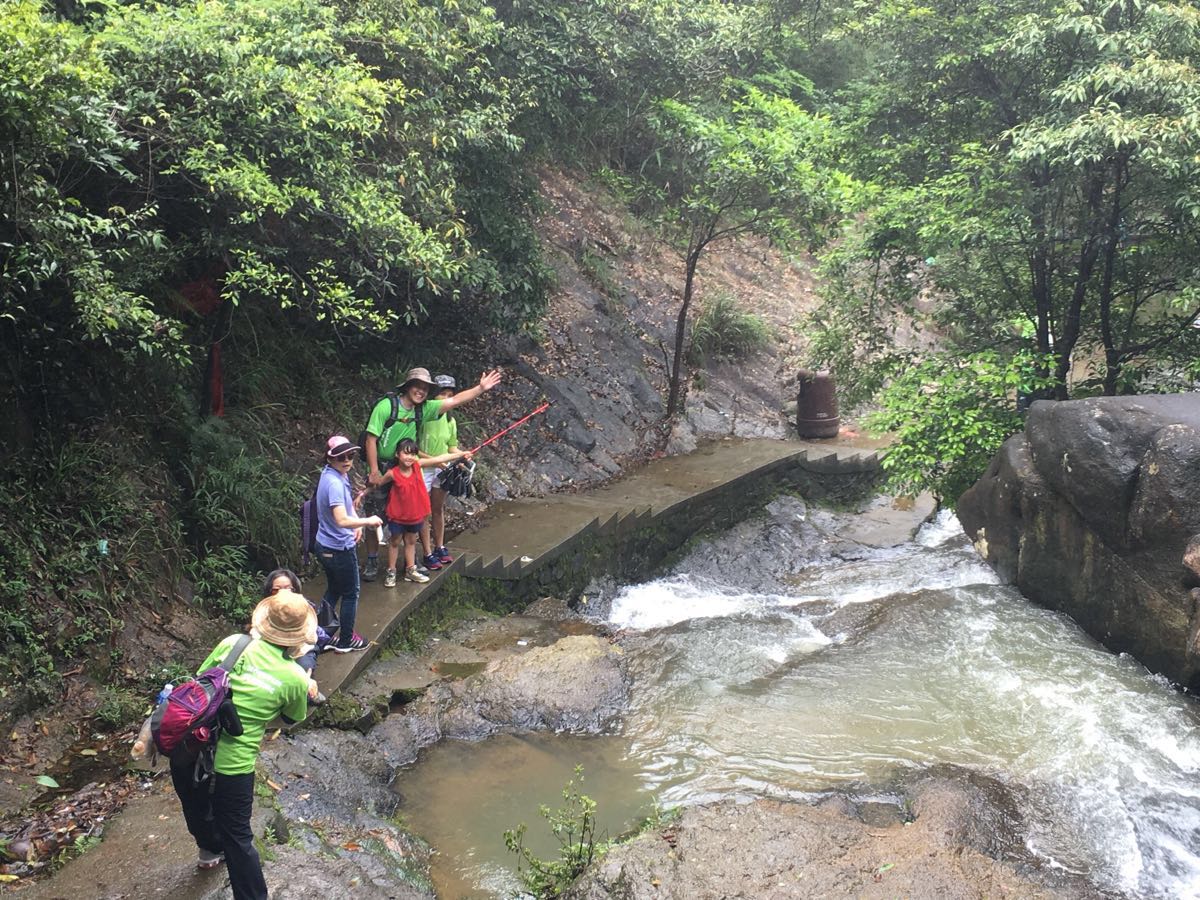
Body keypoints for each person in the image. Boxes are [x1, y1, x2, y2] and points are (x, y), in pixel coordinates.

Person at [171, 590, 312, 898]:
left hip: (189, 747)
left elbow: (201, 683)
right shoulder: (295, 678)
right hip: (232, 767)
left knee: (195, 805)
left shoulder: (233, 643)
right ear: (298, 638)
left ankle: (208, 851)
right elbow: (291, 718)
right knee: (238, 837)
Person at [361, 366, 502, 580]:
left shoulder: (424, 409)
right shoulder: (386, 406)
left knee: (410, 513)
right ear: (408, 386)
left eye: (425, 388)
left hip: (408, 468)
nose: (421, 391)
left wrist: (480, 388)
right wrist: (372, 470)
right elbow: (371, 439)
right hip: (382, 467)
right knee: (375, 516)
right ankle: (372, 559)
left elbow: (454, 402)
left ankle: (410, 561)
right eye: (417, 386)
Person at [316, 435, 382, 653]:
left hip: (326, 544)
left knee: (334, 589)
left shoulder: (335, 474)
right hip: (337, 548)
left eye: (350, 455)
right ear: (329, 458)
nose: (346, 460)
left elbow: (348, 510)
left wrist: (357, 526)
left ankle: (320, 635)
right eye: (341, 457)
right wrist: (367, 521)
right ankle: (345, 640)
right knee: (351, 593)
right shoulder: (334, 483)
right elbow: (341, 519)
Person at [382, 438, 471, 586]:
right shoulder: (392, 473)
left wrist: (460, 455)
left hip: (414, 515)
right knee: (395, 542)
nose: (410, 457)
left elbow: (440, 458)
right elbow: (378, 483)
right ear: (397, 455)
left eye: (413, 454)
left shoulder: (417, 465)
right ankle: (391, 571)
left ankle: (411, 570)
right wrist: (363, 493)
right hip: (397, 516)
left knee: (411, 541)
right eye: (406, 454)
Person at [262, 569, 329, 703]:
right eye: (276, 590)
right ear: (269, 592)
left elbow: (311, 637)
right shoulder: (264, 612)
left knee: (303, 681)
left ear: (296, 590)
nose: (283, 594)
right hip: (271, 652)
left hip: (299, 650)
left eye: (288, 589)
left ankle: (308, 689)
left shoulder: (302, 608)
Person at [420, 374, 461, 564]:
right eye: (442, 394)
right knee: (423, 512)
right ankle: (427, 552)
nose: (446, 398)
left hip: (441, 468)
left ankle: (440, 546)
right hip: (423, 467)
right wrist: (435, 460)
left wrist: (462, 455)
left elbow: (451, 446)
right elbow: (412, 449)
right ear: (433, 396)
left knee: (438, 509)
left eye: (450, 394)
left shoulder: (451, 421)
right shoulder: (424, 416)